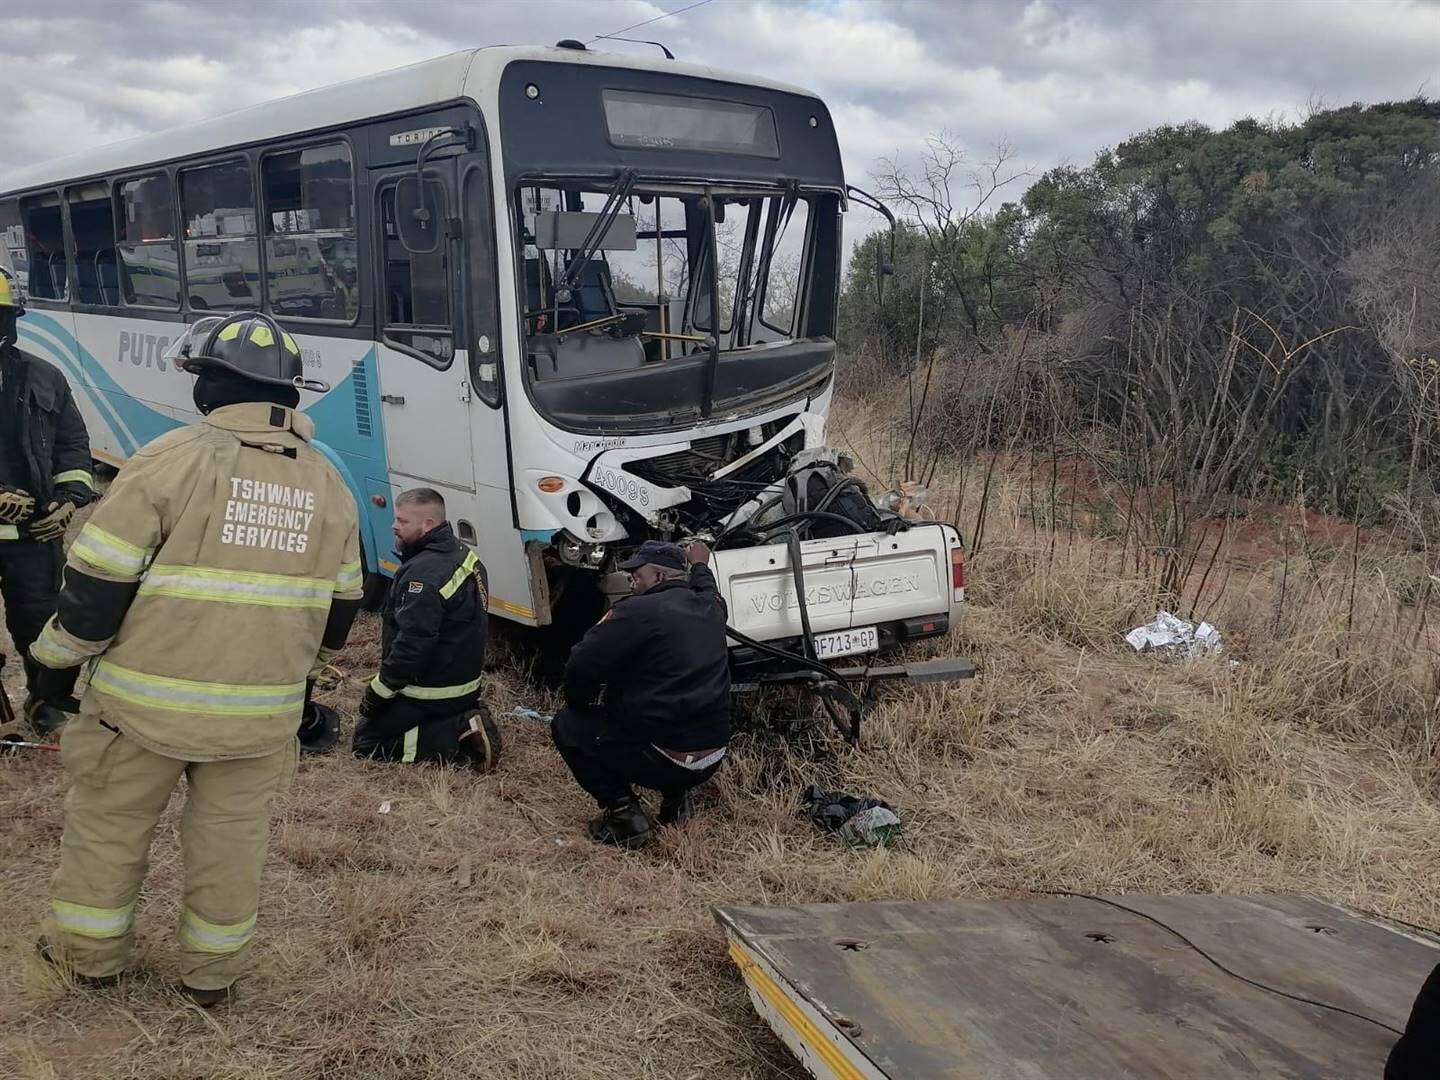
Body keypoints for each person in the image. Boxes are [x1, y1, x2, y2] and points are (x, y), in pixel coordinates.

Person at [26, 311, 363, 1006]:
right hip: (261, 719)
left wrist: (53, 668)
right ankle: (212, 974)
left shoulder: (170, 458)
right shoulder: (329, 484)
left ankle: (90, 959)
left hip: (140, 710)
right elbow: (341, 613)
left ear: (208, 385)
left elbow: (95, 588)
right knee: (231, 845)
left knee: (111, 828)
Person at [552, 539, 731, 849]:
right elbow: (707, 587)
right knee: (675, 714)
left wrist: (580, 705)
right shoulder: (711, 607)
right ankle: (677, 805)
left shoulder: (635, 612)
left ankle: (626, 818)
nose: (632, 584)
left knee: (568, 725)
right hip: (713, 756)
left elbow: (581, 665)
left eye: (637, 577)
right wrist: (700, 563)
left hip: (662, 757)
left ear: (659, 577)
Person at [0, 265, 96, 735]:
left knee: (41, 626)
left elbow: (73, 446)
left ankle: (46, 701)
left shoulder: (43, 376)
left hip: (33, 537)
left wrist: (68, 499)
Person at [353, 487, 497, 769]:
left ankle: (458, 733)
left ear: (427, 524)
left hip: (434, 691)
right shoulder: (462, 554)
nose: (394, 526)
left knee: (368, 743)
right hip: (464, 682)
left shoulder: (422, 575)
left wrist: (378, 693)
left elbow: (412, 646)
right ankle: (463, 716)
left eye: (403, 521)